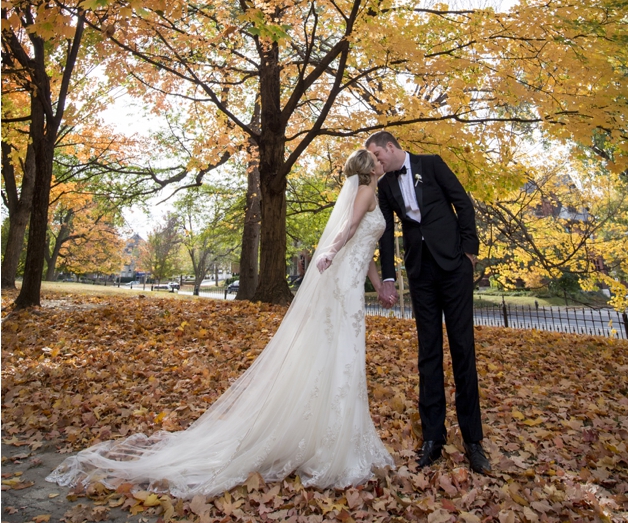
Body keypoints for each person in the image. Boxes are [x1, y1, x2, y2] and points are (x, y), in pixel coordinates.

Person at [47, 149, 392, 498]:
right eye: (377, 158)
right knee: (341, 357)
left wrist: (379, 286)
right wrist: (330, 251)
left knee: (343, 359)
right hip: (342, 288)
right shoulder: (365, 191)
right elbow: (347, 231)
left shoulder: (371, 195)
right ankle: (332, 446)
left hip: (349, 287)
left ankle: (334, 437)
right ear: (368, 169)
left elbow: (363, 250)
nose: (381, 162)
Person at [365, 130, 491, 475]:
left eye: (378, 156)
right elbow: (387, 233)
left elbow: (462, 203)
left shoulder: (432, 165)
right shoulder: (387, 185)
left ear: (391, 147)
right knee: (428, 353)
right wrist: (388, 276)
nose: (377, 163)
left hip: (454, 268)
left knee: (463, 349)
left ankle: (473, 441)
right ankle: (433, 439)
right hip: (421, 273)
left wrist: (469, 251)